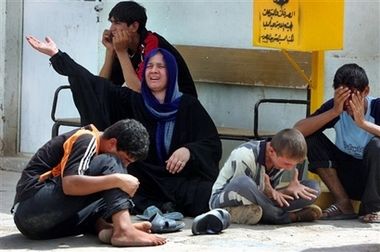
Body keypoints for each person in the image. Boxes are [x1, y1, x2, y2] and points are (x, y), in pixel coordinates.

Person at [26, 35, 222, 217]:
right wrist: (57, 55)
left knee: (207, 193)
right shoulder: (131, 100)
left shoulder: (188, 105)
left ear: (171, 72)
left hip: (177, 179)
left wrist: (189, 151)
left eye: (161, 67)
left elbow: (211, 142)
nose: (153, 71)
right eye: (149, 66)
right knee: (118, 184)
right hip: (143, 178)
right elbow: (93, 84)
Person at [11, 119, 167, 247]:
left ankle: (105, 228)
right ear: (112, 143)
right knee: (111, 165)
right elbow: (70, 184)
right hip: (30, 208)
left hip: (46, 228)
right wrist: (118, 179)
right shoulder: (87, 138)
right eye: (126, 160)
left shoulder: (99, 150)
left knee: (106, 188)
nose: (125, 166)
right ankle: (124, 230)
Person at [294, 63, 380, 223]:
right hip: (345, 176)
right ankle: (343, 204)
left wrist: (362, 123)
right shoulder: (336, 107)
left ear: (366, 91)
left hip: (373, 180)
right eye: (342, 95)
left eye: (352, 96)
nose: (347, 103)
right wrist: (334, 111)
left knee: (377, 146)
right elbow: (297, 131)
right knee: (309, 138)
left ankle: (373, 209)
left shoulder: (377, 106)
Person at [209, 128, 322, 225]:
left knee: (313, 188)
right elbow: (241, 191)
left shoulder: (280, 159)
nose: (289, 168)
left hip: (261, 201)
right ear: (272, 151)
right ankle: (289, 217)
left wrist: (286, 190)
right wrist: (266, 193)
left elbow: (268, 195)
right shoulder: (244, 154)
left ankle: (250, 214)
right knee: (243, 182)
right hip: (225, 199)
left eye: (294, 164)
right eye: (287, 164)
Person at [99, 1, 197, 97]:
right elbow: (101, 87)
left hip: (179, 106)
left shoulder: (153, 45)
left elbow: (140, 90)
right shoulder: (125, 46)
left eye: (117, 23)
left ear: (134, 26)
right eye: (111, 23)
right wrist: (110, 50)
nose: (111, 29)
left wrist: (121, 52)